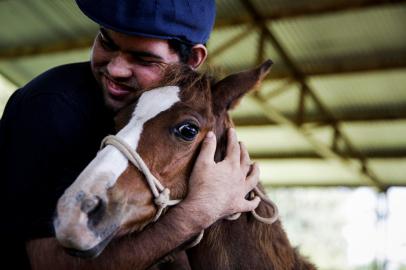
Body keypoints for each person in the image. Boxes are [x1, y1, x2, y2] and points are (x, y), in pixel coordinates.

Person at [0, 0, 261, 269]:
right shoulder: (51, 106)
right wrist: (196, 214)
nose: (115, 69)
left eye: (144, 59)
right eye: (107, 42)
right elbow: (48, 264)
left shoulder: (171, 122)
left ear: (192, 60)